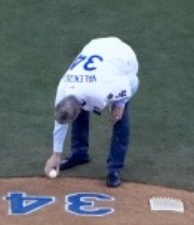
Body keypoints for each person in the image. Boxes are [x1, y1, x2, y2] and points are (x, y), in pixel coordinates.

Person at [44, 37, 140, 188]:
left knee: (119, 117)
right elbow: (60, 121)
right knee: (77, 107)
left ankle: (114, 169)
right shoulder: (63, 90)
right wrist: (56, 155)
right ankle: (79, 154)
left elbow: (133, 81)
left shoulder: (101, 91)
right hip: (95, 47)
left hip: (123, 59)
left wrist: (120, 103)